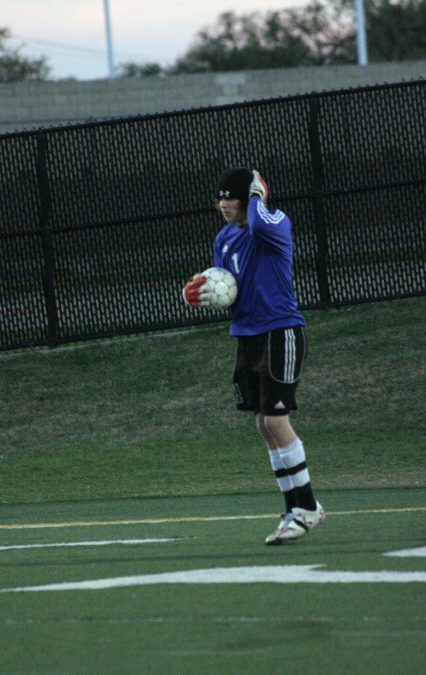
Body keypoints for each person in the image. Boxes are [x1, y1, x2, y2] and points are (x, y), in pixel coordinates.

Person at [183, 167, 325, 545]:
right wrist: (199, 291)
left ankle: (307, 507)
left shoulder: (272, 222)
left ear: (248, 198)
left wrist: (259, 194)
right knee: (264, 423)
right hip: (248, 336)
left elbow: (260, 224)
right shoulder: (224, 238)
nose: (222, 204)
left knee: (277, 420)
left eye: (230, 197)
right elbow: (223, 284)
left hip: (280, 330)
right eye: (219, 197)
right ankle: (292, 509)